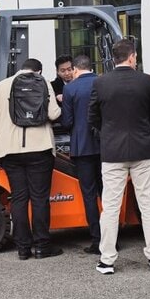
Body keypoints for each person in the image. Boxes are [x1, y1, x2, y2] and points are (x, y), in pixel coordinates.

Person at [89, 39, 150, 275]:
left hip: (112, 151)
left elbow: (93, 118)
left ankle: (107, 260)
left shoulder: (100, 83)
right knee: (149, 204)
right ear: (132, 57)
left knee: (110, 206)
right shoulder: (147, 81)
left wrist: (108, 132)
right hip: (142, 149)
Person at [0, 58, 63, 260]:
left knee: (19, 199)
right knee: (39, 199)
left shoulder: (1, 87)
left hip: (10, 151)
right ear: (38, 70)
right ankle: (42, 247)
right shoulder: (42, 82)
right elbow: (54, 114)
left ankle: (23, 249)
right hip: (40, 148)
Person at [60, 55, 101, 254]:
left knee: (89, 194)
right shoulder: (102, 82)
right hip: (105, 146)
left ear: (75, 69)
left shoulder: (70, 88)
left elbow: (67, 121)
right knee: (109, 193)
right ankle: (112, 238)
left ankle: (97, 239)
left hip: (82, 146)